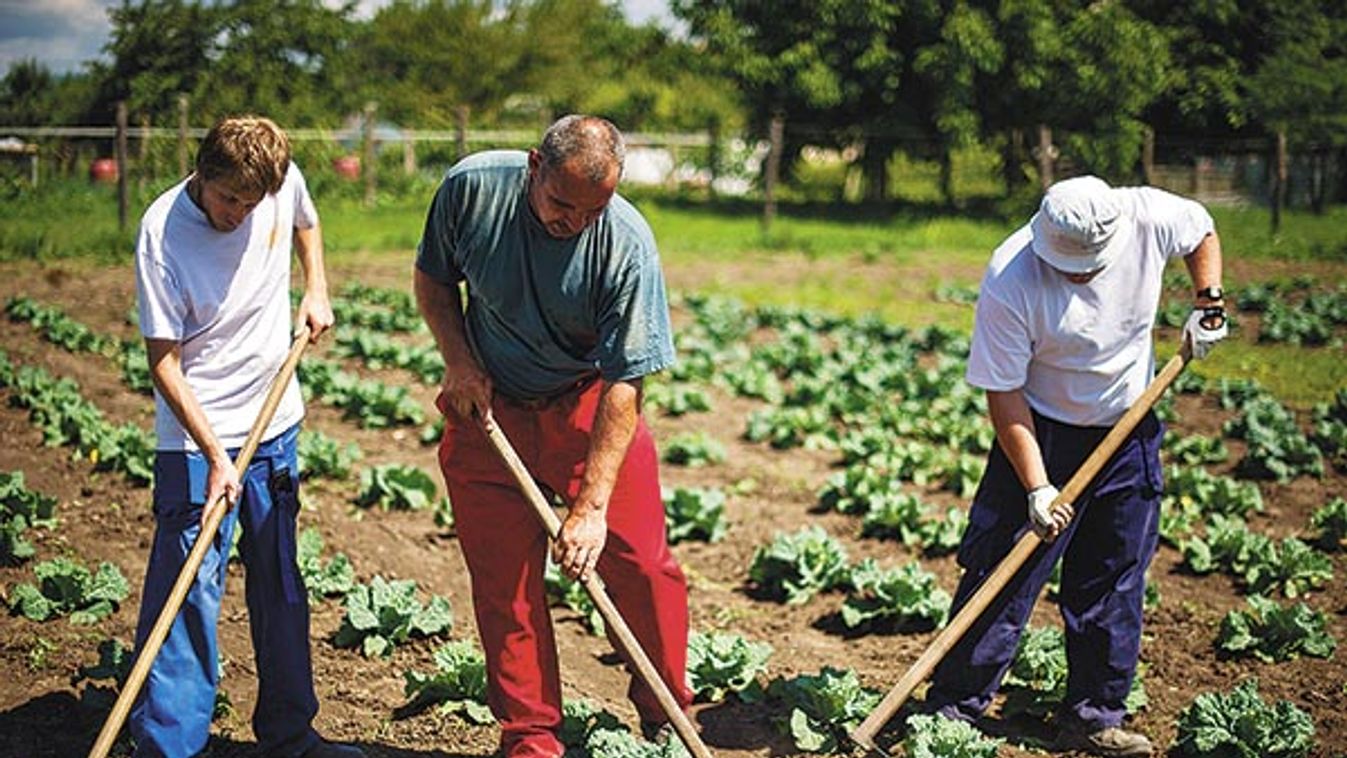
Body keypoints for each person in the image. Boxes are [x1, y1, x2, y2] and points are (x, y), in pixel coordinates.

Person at [414, 114, 693, 757]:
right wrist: (458, 360)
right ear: (534, 166)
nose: (575, 222)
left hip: (586, 406)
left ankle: (666, 712)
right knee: (505, 583)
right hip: (488, 410)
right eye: (562, 204)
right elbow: (433, 278)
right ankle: (532, 736)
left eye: (593, 210)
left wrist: (590, 508)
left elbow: (626, 384)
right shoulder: (471, 189)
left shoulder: (624, 242)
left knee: (643, 565)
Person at [923, 175, 1227, 758]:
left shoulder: (1147, 215)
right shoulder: (1011, 275)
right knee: (1002, 575)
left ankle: (1094, 716)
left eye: (1086, 264)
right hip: (1040, 432)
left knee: (1112, 577)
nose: (1077, 273)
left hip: (1126, 429)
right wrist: (1037, 487)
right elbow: (1004, 392)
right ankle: (953, 712)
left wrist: (1208, 302)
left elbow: (1201, 231)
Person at [131, 115, 360, 758]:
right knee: (188, 594)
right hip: (196, 440)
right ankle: (171, 747)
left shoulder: (277, 186)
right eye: (229, 197)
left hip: (274, 425)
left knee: (280, 583)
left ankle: (291, 736)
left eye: (251, 202)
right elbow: (163, 363)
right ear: (203, 174)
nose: (239, 213)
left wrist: (315, 288)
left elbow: (305, 222)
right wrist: (215, 456)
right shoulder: (162, 234)